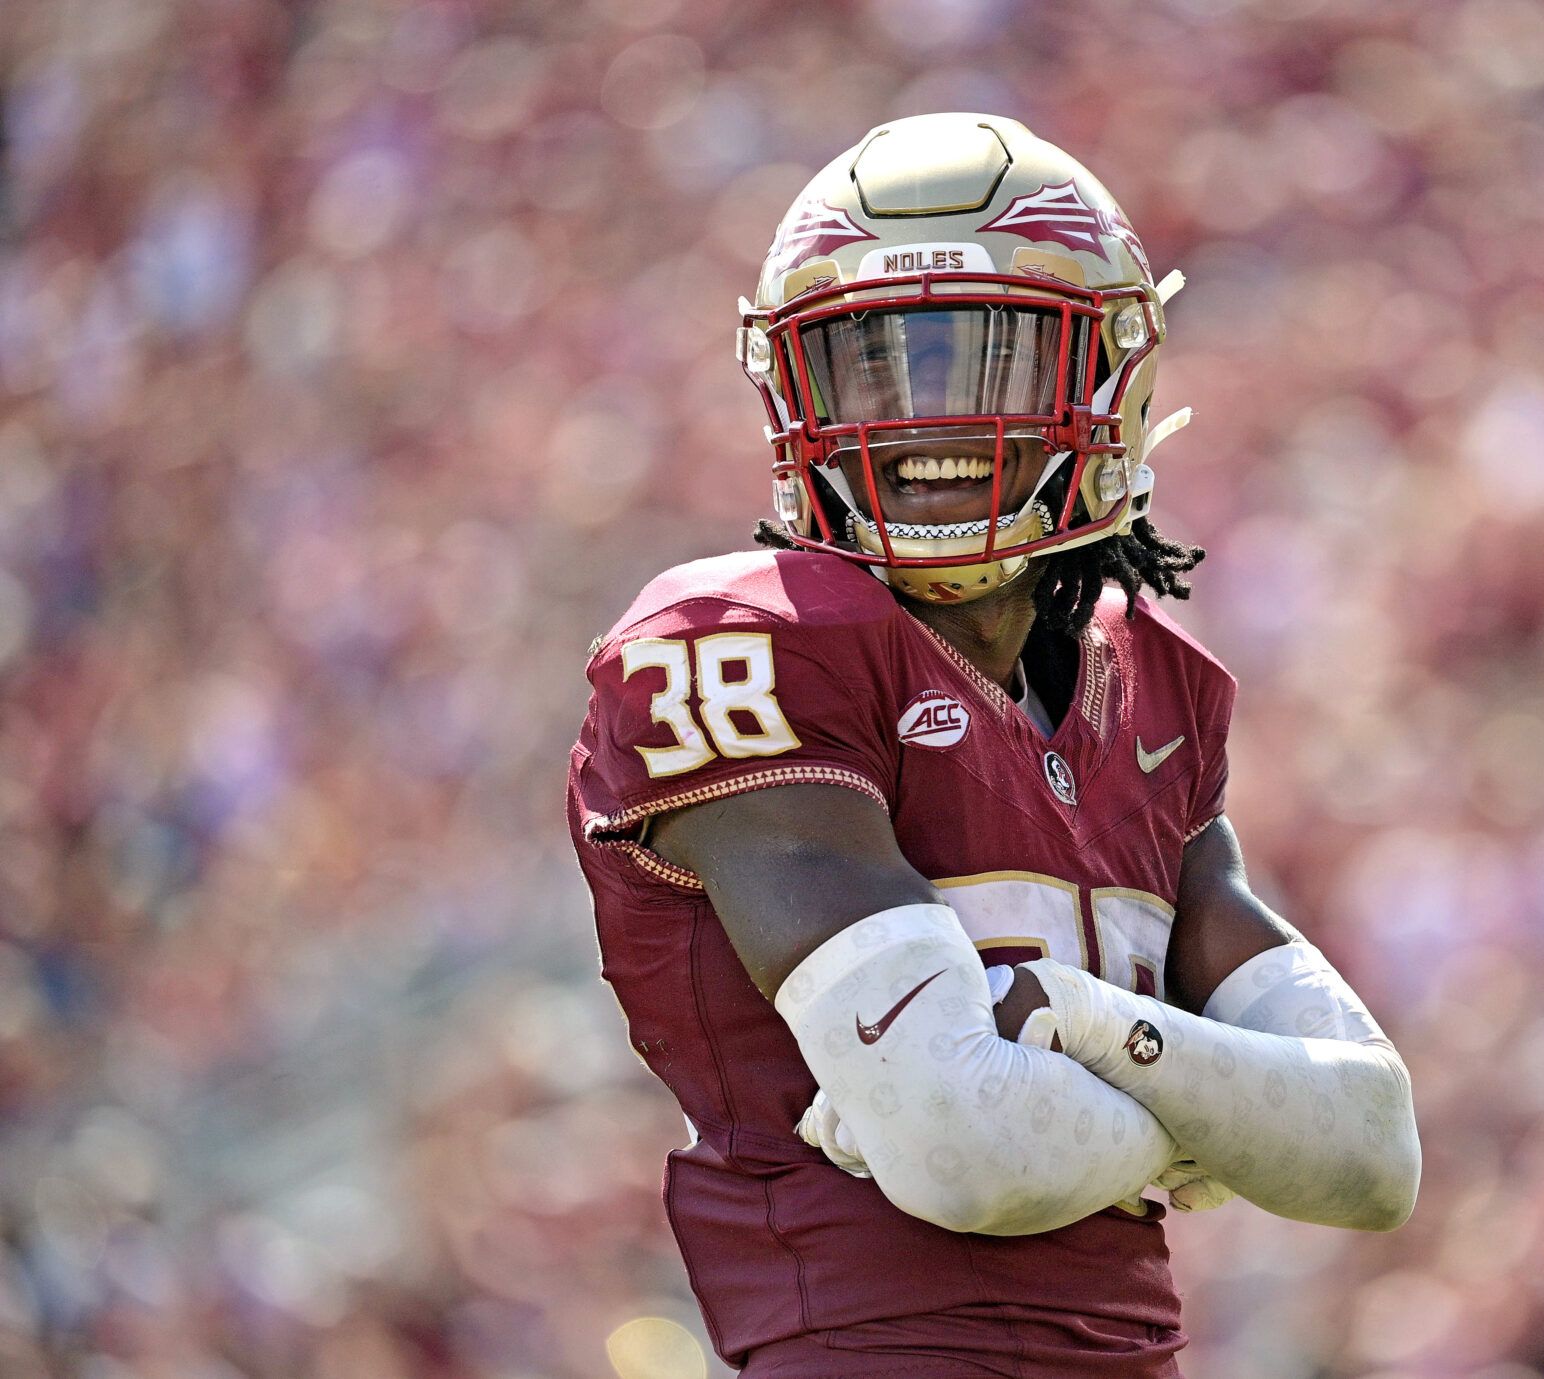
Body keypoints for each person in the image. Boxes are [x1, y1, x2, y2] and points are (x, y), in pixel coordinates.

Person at [566, 112, 1421, 1378]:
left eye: (984, 356)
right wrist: (1214, 1119)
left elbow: (1370, 1147)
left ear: (1107, 381)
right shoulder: (742, 636)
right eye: (869, 363)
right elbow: (964, 1151)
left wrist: (1081, 1026)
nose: (922, 415)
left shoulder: (1151, 688)